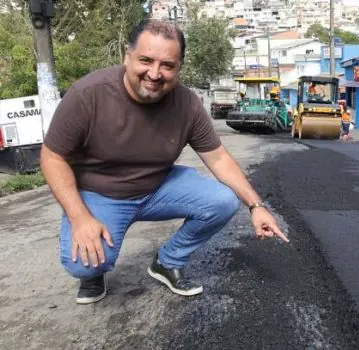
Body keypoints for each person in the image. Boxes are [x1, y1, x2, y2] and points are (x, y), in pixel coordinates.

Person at [40, 19, 289, 305]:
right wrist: (79, 217)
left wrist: (256, 206)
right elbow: (52, 156)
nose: (155, 74)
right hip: (101, 195)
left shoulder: (187, 104)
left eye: (167, 65)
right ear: (127, 55)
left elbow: (218, 158)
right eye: (146, 60)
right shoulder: (88, 94)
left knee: (223, 201)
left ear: (179, 67)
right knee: (83, 264)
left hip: (157, 187)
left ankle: (168, 260)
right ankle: (94, 272)